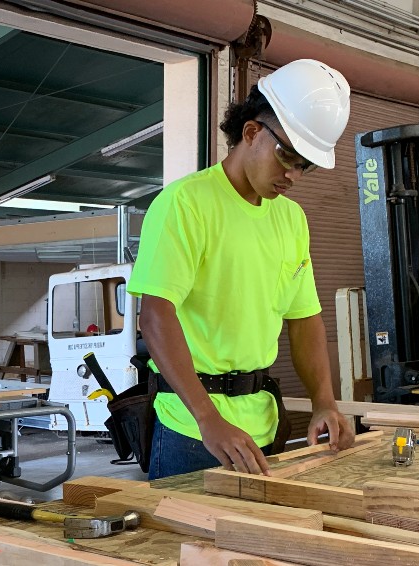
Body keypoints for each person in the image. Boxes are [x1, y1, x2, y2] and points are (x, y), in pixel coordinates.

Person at [127, 59, 357, 480]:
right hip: (191, 431)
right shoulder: (185, 205)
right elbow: (156, 316)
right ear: (251, 132)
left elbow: (304, 319)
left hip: (265, 425)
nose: (294, 175)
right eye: (288, 155)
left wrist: (325, 401)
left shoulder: (290, 219)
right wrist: (207, 420)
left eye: (305, 164)